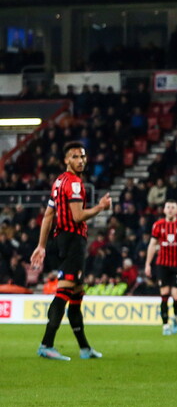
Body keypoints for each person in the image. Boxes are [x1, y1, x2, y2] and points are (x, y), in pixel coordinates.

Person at [31, 141, 112, 361]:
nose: (80, 160)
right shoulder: (75, 183)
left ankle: (84, 348)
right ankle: (46, 344)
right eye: (75, 157)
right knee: (64, 292)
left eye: (83, 157)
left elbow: (49, 215)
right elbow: (77, 216)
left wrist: (41, 245)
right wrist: (100, 208)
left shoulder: (58, 182)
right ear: (66, 159)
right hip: (74, 240)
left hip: (62, 239)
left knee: (76, 295)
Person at [145, 199, 177, 336]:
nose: (170, 209)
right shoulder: (158, 225)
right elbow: (152, 245)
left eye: (173, 207)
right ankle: (165, 325)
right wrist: (148, 263)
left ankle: (176, 318)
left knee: (176, 295)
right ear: (164, 210)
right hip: (162, 265)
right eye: (168, 207)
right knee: (164, 293)